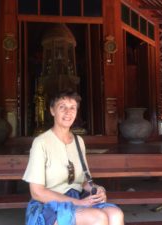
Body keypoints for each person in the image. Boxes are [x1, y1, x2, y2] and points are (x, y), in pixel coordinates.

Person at [23, 90, 124, 225]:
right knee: (98, 217)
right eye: (62, 107)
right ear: (52, 111)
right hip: (49, 205)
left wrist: (98, 189)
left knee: (116, 215)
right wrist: (79, 203)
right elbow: (37, 192)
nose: (68, 112)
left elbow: (82, 182)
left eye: (72, 108)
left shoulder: (78, 141)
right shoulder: (41, 143)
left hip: (76, 197)